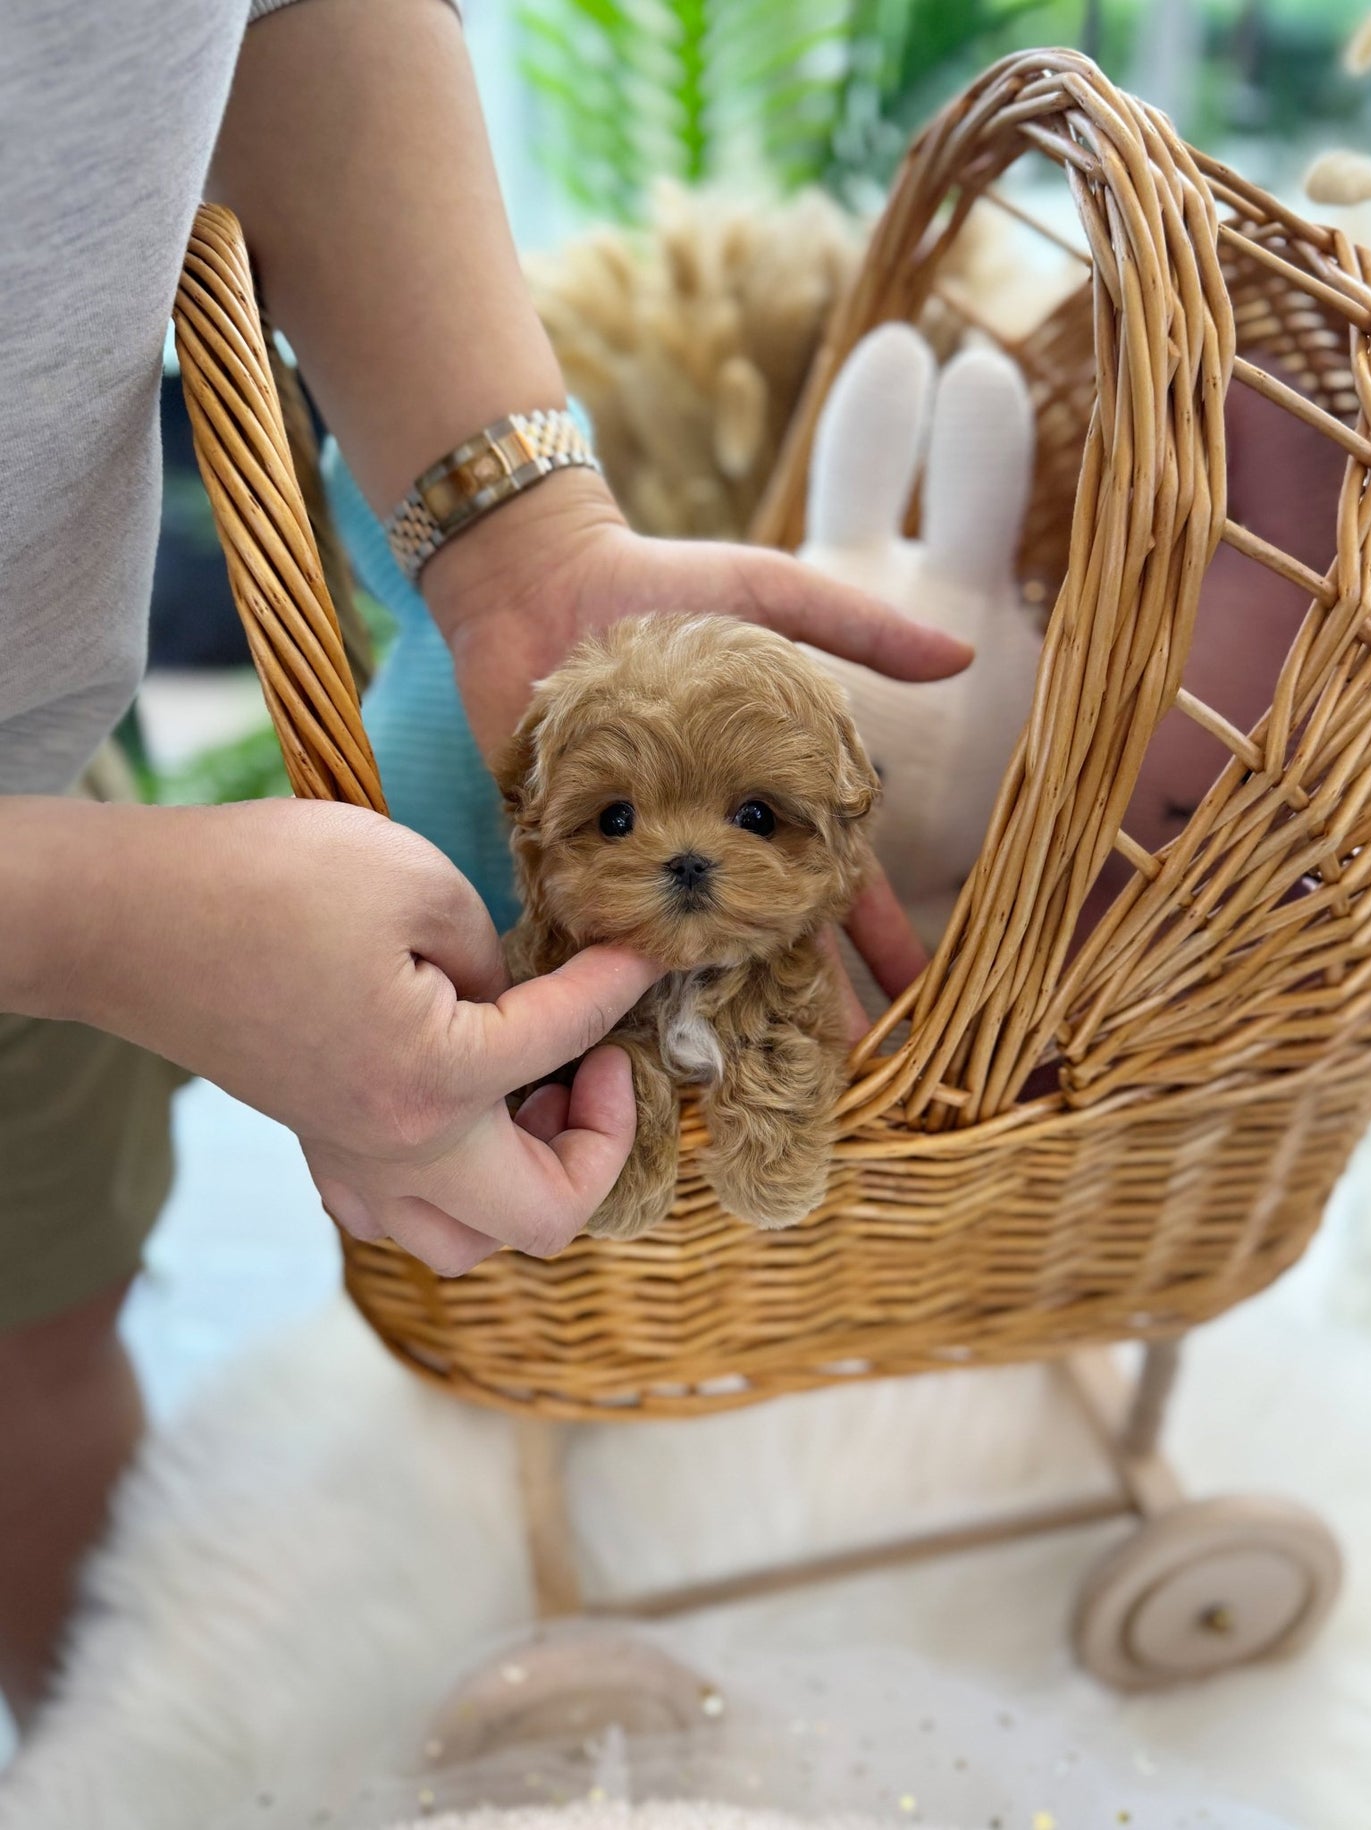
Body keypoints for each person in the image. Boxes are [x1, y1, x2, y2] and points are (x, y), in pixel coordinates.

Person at [0, 0, 970, 1728]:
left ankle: (80, 1730)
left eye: (749, 823)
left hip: (32, 739)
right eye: (619, 824)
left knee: (45, 1327)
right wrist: (93, 916)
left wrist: (527, 531)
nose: (683, 864)